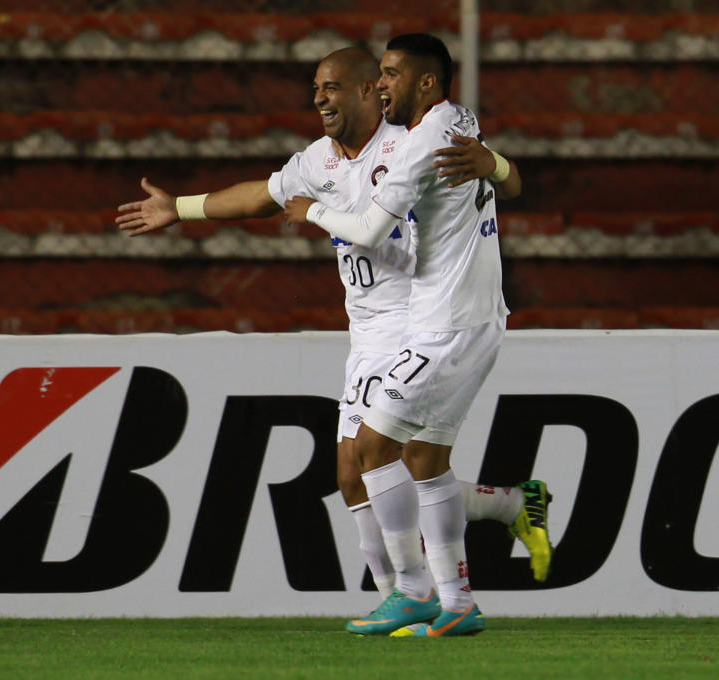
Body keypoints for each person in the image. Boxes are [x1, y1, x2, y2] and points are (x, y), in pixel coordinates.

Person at [117, 46, 551, 636]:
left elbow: (481, 176)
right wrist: (182, 208)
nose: (319, 97)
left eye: (332, 87)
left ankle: (409, 593)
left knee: (375, 457)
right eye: (315, 87)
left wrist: (494, 167)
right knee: (373, 470)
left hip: (416, 317)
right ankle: (490, 524)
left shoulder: (409, 141)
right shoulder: (318, 159)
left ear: (372, 90)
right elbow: (261, 197)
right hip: (368, 326)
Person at [283, 34, 525, 637]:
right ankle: (458, 601)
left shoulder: (422, 144)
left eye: (391, 74)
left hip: (447, 328)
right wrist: (494, 163)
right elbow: (513, 183)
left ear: (425, 83)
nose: (381, 83)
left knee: (370, 451)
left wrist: (309, 210)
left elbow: (365, 230)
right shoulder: (458, 120)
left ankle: (412, 591)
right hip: (463, 319)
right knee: (429, 462)